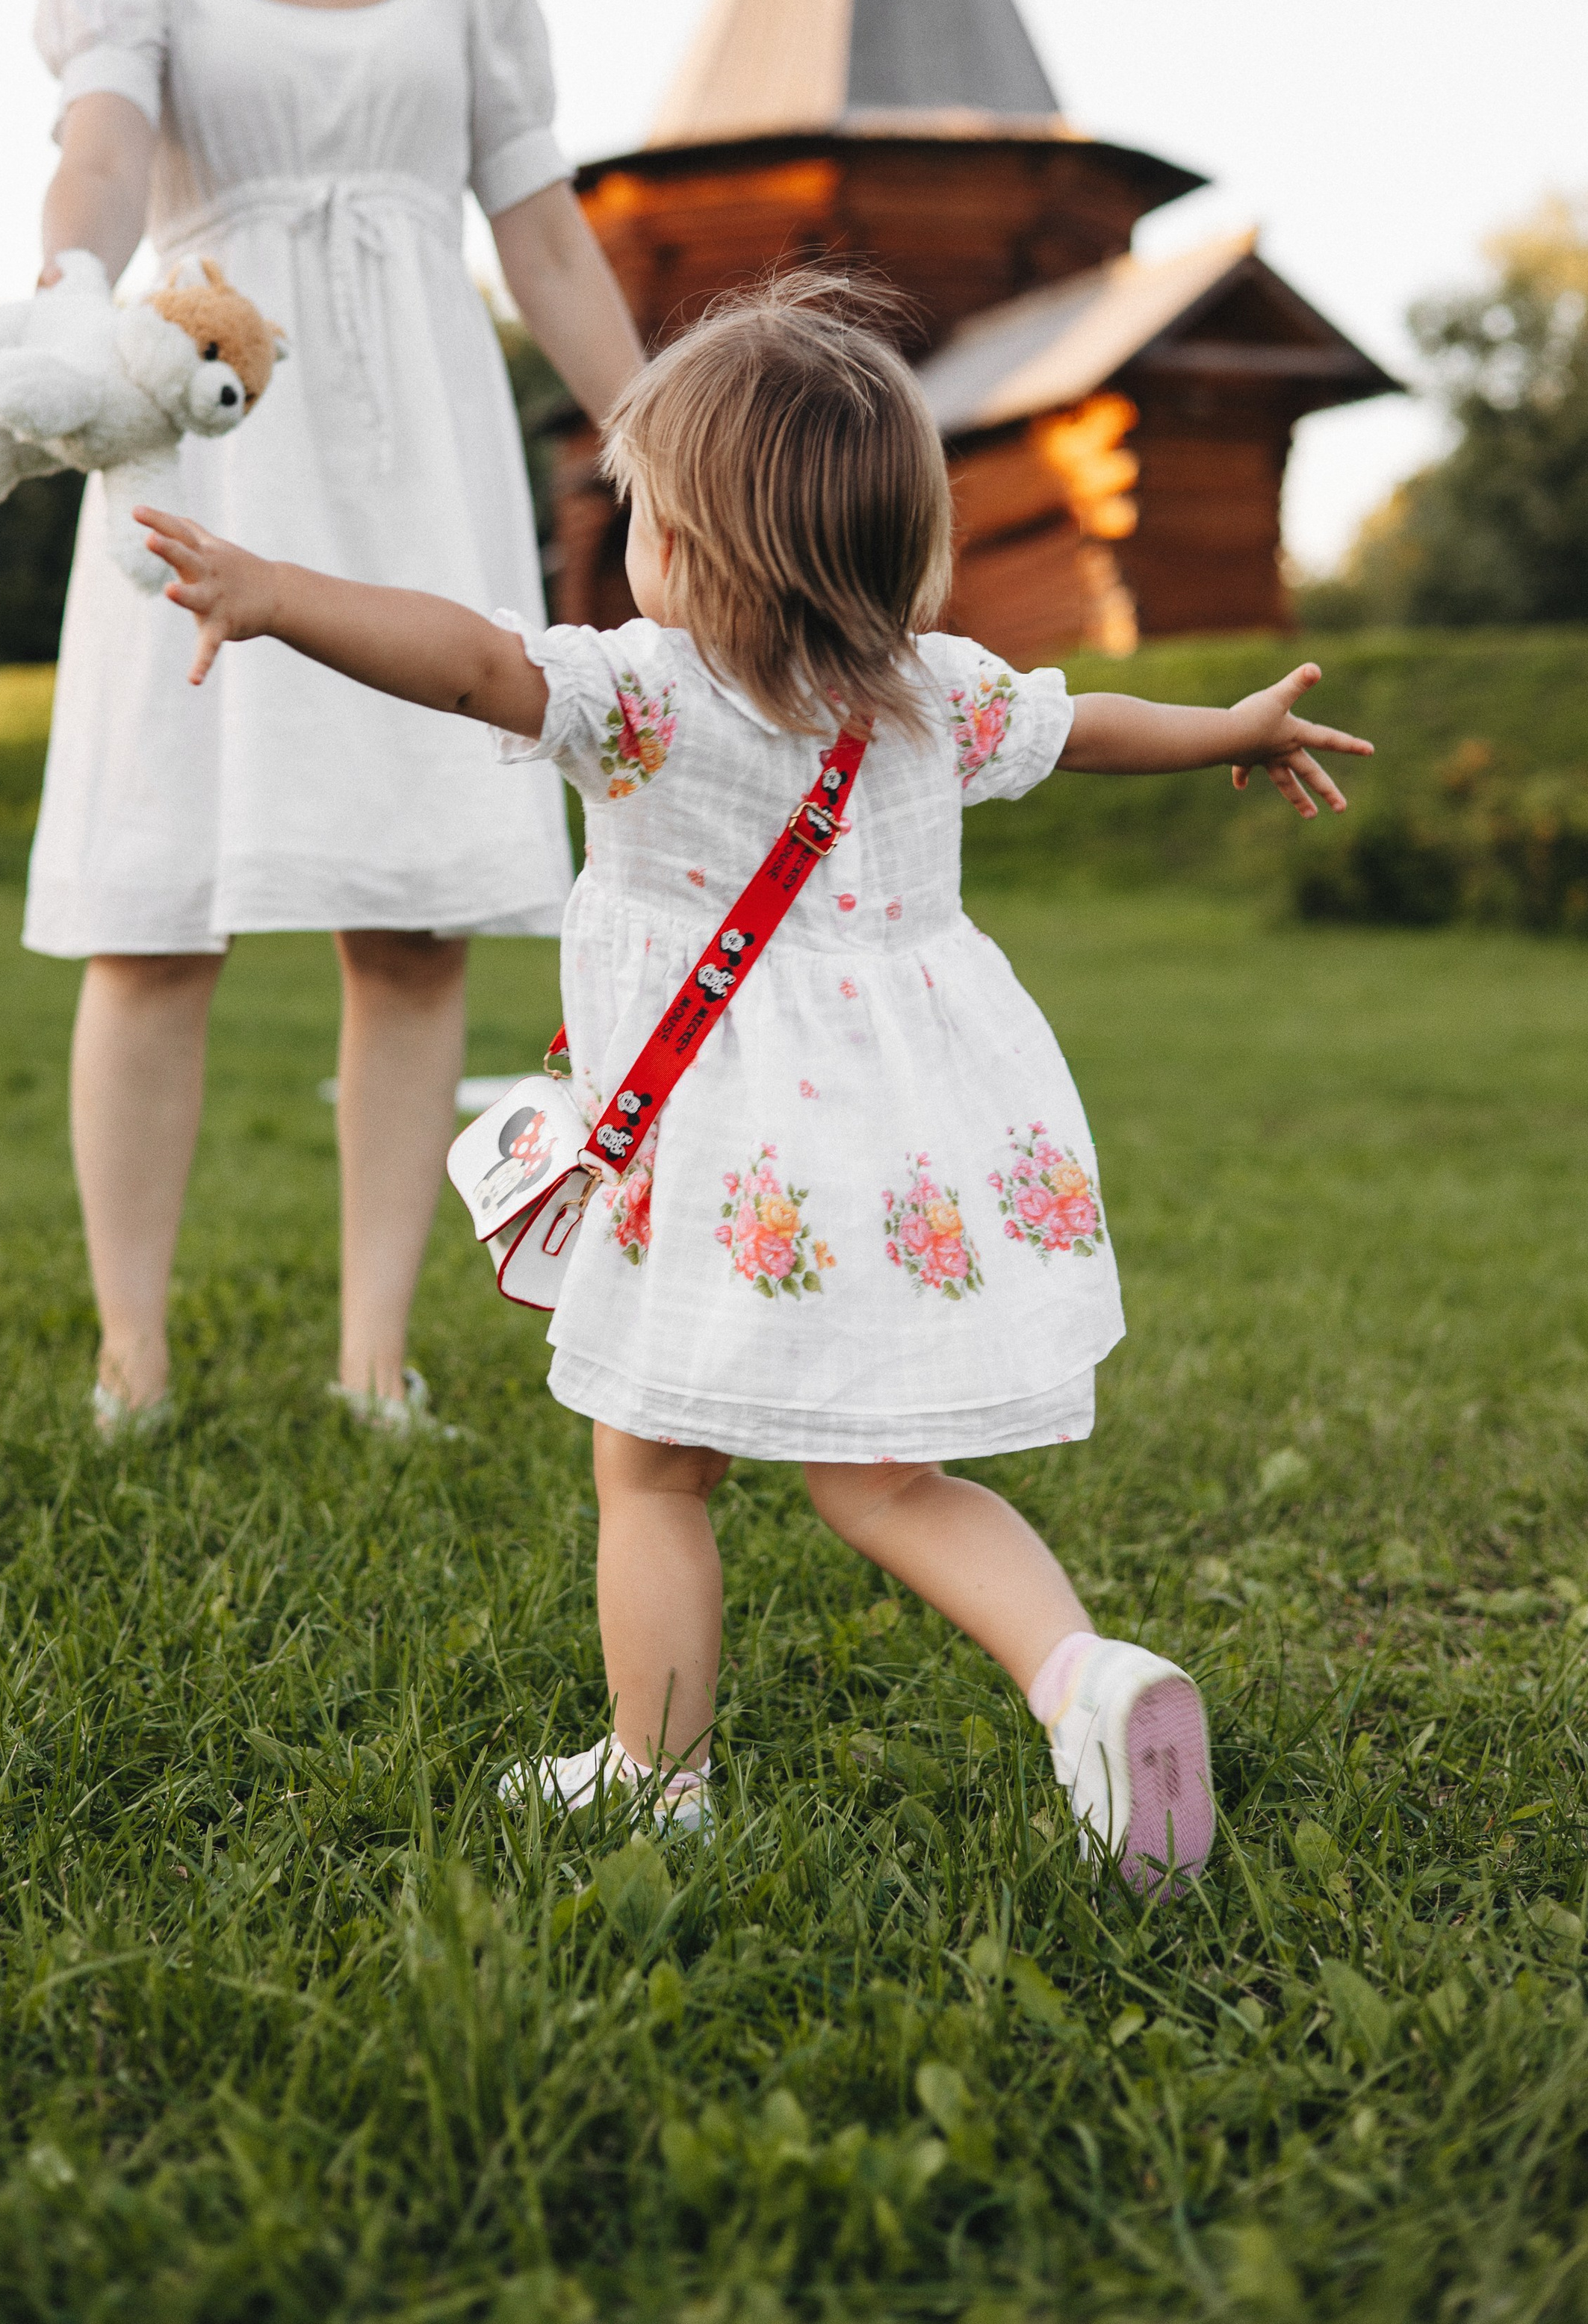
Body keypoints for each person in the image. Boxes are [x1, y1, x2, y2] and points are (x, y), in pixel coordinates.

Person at [132, 276, 1373, 1894]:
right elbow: (1083, 728)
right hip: (905, 1156)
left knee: (649, 1467)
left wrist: (282, 593)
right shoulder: (932, 695)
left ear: (699, 549)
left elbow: (461, 662)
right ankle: (1082, 1677)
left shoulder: (643, 701)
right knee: (886, 1478)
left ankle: (656, 1778)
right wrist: (1225, 723)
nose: (625, 532)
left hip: (731, 1170)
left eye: (639, 506)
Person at [22, 0, 643, 1435]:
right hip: (210, 419)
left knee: (414, 916)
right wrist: (65, 289)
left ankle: (378, 1357)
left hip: (420, 449)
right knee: (159, 907)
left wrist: (660, 442)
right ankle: (133, 1355)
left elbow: (535, 229)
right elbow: (107, 144)